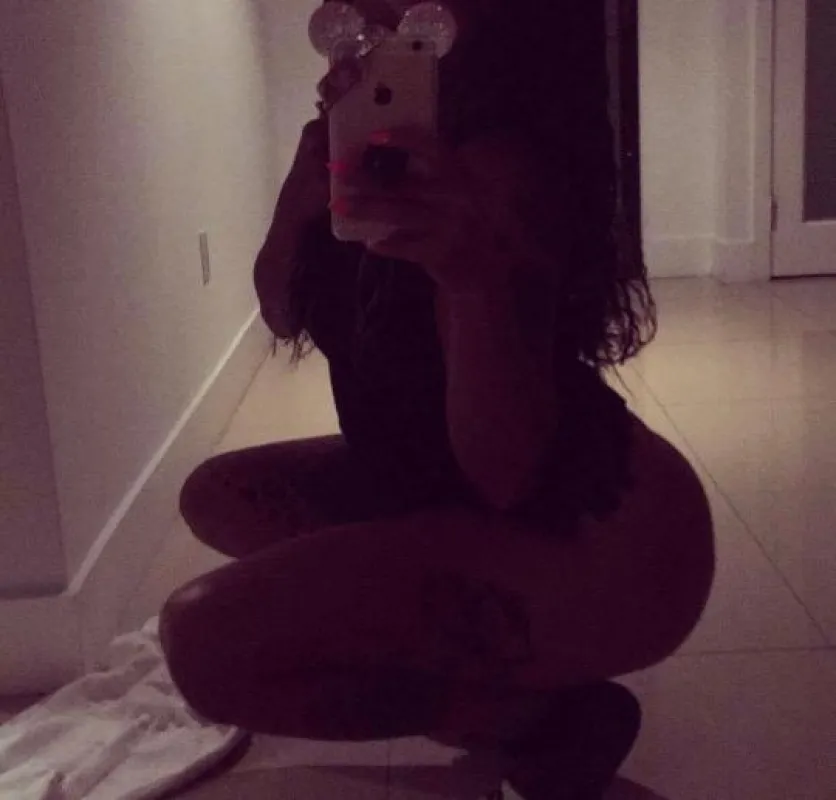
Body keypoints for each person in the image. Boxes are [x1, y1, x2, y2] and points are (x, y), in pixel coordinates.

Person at [159, 0, 716, 796]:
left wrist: (470, 278)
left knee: (204, 643)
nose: (370, 11)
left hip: (600, 534)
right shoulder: (372, 138)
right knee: (217, 495)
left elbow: (507, 474)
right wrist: (301, 192)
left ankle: (530, 717)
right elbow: (281, 311)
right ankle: (531, 705)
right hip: (451, 483)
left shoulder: (502, 163)